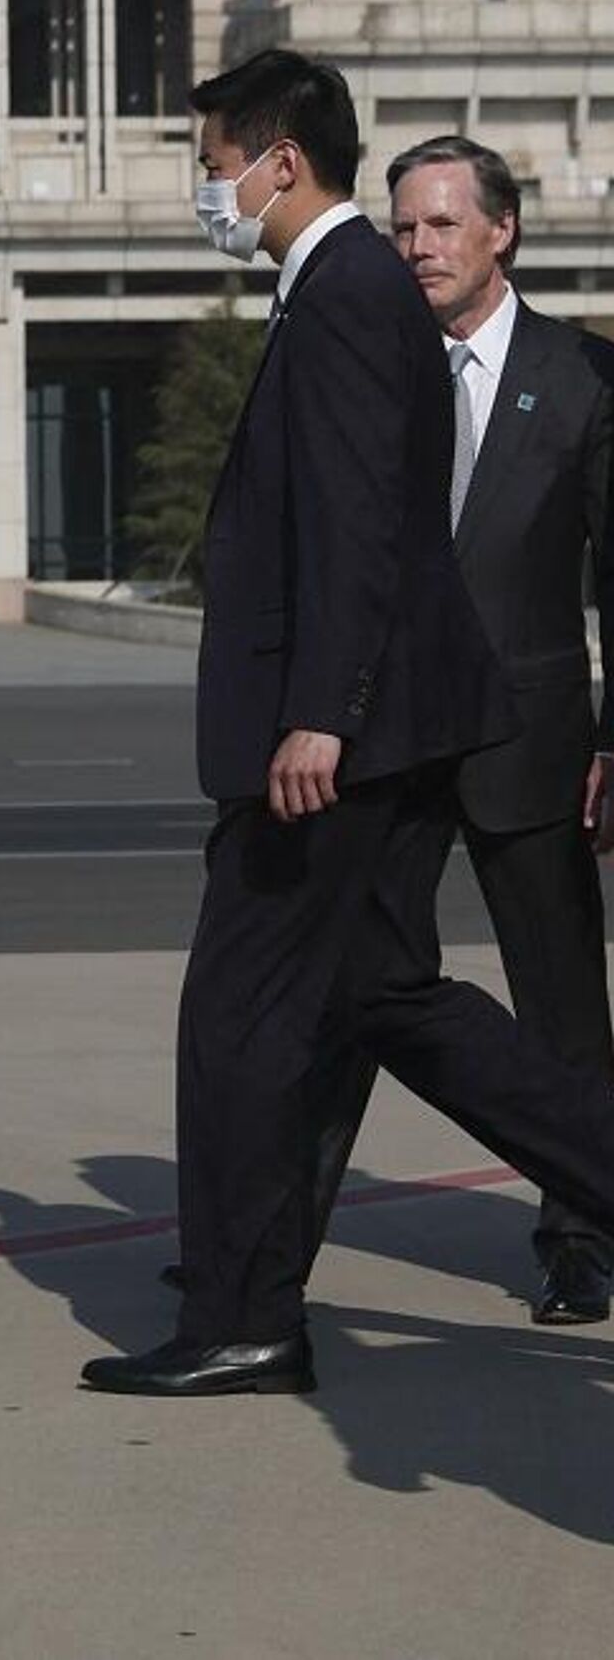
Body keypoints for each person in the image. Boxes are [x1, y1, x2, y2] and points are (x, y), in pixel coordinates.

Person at [81, 49, 614, 1398]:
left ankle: (242, 1317)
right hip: (380, 730)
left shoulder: (345, 294)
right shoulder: (351, 290)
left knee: (237, 1016)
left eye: (213, 165)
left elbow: (360, 524)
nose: (207, 190)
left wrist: (321, 712)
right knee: (390, 1000)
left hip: (341, 745)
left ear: (279, 162)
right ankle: (251, 1303)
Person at [294, 138, 614, 1325]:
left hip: (533, 746)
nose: (419, 248)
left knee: (563, 1009)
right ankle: (266, 1248)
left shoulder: (584, 376)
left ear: (501, 231)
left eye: (440, 225)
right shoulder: (372, 369)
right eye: (403, 228)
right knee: (347, 997)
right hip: (384, 744)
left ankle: (582, 1236)